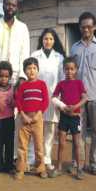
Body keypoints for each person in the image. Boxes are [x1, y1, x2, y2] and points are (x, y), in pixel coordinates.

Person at [0, 0, 30, 169]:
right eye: (8, 4)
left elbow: (24, 53)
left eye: (13, 5)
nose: (10, 7)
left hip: (16, 78)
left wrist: (22, 78)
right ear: (3, 6)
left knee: (15, 119)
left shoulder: (23, 28)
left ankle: (11, 159)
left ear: (17, 8)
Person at [69, 12, 96, 175]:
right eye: (82, 26)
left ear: (95, 27)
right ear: (79, 27)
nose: (85, 29)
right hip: (78, 98)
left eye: (89, 26)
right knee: (77, 132)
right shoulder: (75, 47)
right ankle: (77, 162)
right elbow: (70, 72)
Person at [28, 28, 66, 171]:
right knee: (34, 129)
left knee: (50, 131)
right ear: (41, 40)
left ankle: (46, 159)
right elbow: (29, 74)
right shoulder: (35, 55)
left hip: (53, 99)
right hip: (36, 98)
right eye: (45, 39)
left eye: (51, 39)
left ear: (54, 40)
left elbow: (62, 78)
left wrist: (59, 99)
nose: (48, 41)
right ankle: (32, 158)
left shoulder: (59, 57)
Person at [49, 57, 86, 180]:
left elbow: (84, 99)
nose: (69, 71)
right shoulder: (61, 84)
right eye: (67, 69)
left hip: (75, 118)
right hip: (64, 118)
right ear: (63, 70)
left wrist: (74, 107)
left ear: (76, 70)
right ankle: (59, 168)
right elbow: (54, 98)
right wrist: (62, 106)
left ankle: (79, 169)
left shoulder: (79, 83)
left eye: (72, 69)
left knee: (76, 143)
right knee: (61, 143)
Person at [14, 57, 49, 180]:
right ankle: (20, 169)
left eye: (34, 68)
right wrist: (23, 116)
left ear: (38, 70)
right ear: (24, 71)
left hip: (37, 119)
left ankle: (40, 169)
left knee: (39, 145)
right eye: (29, 68)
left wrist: (37, 115)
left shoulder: (42, 84)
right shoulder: (23, 86)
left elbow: (45, 101)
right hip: (24, 119)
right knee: (22, 145)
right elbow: (19, 103)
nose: (32, 71)